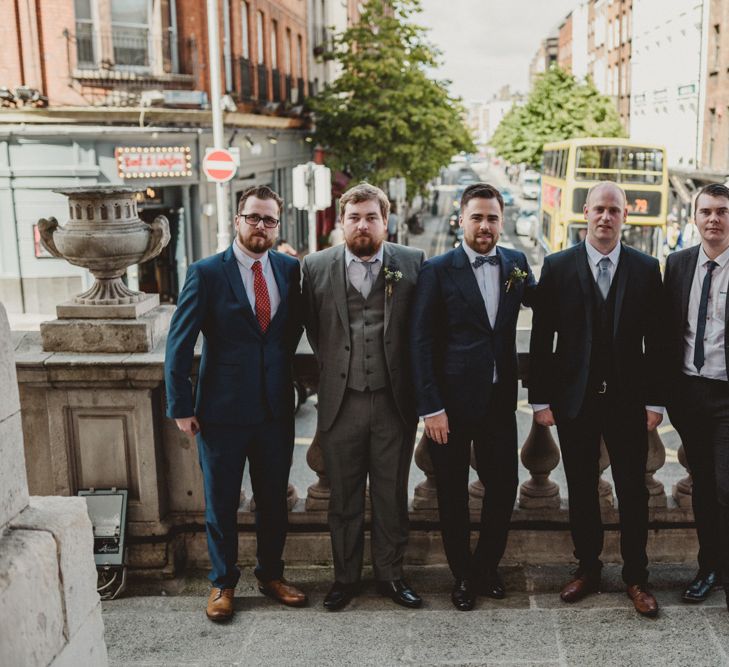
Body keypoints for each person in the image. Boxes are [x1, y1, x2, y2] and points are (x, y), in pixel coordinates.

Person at [164, 185, 306, 622]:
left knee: (273, 502)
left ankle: (271, 575)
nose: (260, 226)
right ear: (237, 220)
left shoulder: (288, 268)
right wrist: (181, 406)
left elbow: (291, 331)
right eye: (253, 218)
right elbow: (179, 343)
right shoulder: (206, 272)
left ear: (276, 225)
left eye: (269, 220)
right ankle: (223, 583)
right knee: (222, 504)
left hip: (275, 411)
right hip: (220, 413)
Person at [528, 181, 665, 618]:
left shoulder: (646, 268)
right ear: (584, 211)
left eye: (615, 211)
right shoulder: (558, 265)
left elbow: (657, 341)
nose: (606, 217)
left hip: (628, 402)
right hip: (575, 400)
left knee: (633, 492)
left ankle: (636, 578)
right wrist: (539, 399)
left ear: (625, 217)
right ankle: (587, 569)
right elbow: (541, 338)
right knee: (582, 490)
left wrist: (655, 401)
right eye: (599, 209)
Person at [410, 182, 535, 611]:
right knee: (452, 494)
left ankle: (486, 567)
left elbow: (553, 306)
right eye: (477, 217)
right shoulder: (438, 269)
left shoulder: (517, 263)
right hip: (450, 407)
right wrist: (431, 408)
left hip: (500, 402)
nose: (485, 225)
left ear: (502, 222)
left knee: (504, 487)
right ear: (460, 220)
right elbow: (421, 342)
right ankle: (462, 574)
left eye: (492, 218)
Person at [302, 182, 425, 611]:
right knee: (344, 498)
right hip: (341, 400)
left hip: (395, 402)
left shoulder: (412, 263)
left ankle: (392, 576)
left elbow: (421, 332)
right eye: (354, 218)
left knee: (392, 495)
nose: (362, 225)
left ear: (385, 221)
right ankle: (345, 579)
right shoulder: (315, 267)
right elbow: (315, 331)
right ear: (341, 223)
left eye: (371, 217)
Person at [664, 183, 729, 610]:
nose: (714, 219)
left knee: (725, 487)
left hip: (727, 397)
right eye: (705, 211)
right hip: (689, 395)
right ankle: (709, 569)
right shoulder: (678, 264)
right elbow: (665, 331)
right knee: (703, 487)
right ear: (694, 217)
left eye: (722, 211)